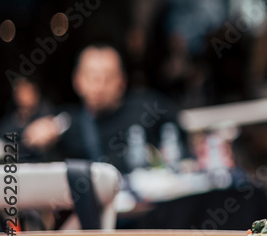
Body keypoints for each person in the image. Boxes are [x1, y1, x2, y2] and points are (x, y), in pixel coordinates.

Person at [23, 43, 190, 174]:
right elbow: (13, 136)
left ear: (122, 81)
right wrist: (33, 135)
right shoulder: (66, 122)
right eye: (92, 76)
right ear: (78, 80)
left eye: (108, 77)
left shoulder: (148, 107)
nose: (99, 85)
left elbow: (183, 139)